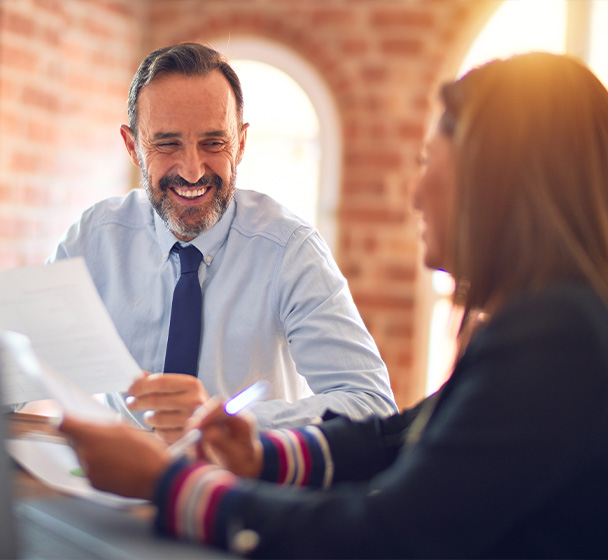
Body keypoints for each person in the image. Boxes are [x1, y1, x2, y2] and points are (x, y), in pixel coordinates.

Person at [59, 52, 608, 558]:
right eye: (168, 143)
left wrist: (167, 485)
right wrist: (263, 455)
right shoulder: (553, 325)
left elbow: (386, 532)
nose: (415, 194)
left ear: (501, 188)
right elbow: (399, 435)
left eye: (430, 163)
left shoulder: (557, 339)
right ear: (134, 146)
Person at [48, 42, 396, 442]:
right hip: (121, 484)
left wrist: (228, 424)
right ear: (133, 148)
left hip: (244, 492)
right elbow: (23, 360)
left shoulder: (290, 251)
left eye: (214, 143)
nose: (193, 171)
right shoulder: (95, 237)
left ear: (241, 144)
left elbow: (372, 405)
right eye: (167, 143)